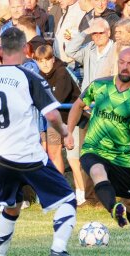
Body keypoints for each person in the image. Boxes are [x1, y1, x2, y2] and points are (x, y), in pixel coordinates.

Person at [0, 27, 89, 256]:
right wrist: (65, 131)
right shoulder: (29, 77)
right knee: (68, 199)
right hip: (28, 155)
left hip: (0, 157)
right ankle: (58, 249)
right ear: (26, 49)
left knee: (11, 207)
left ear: (1, 50)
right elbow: (52, 115)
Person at [66, 47, 130, 246]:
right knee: (97, 171)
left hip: (121, 157)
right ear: (117, 62)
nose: (125, 67)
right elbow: (77, 105)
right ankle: (113, 209)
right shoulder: (99, 86)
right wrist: (68, 131)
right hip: (93, 148)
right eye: (122, 62)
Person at [34, 44, 87, 205]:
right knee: (53, 153)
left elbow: (58, 99)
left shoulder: (62, 72)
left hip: (74, 118)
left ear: (53, 58)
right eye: (40, 61)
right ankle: (59, 191)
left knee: (73, 158)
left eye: (48, 60)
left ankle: (81, 193)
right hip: (54, 120)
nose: (45, 64)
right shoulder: (38, 76)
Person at [65, 17, 114, 91]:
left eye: (101, 32)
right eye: (94, 33)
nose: (98, 36)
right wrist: (86, 32)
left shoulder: (116, 51)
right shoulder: (89, 48)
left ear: (109, 33)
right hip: (87, 97)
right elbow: (69, 51)